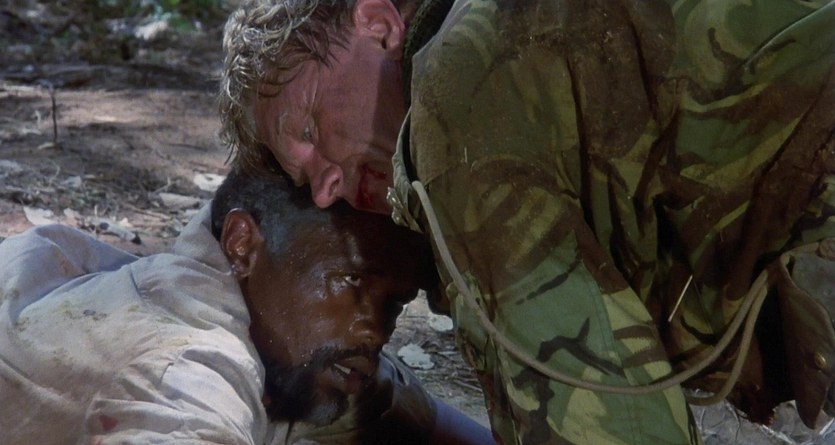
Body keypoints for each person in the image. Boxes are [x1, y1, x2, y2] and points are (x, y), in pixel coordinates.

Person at [219, 0, 835, 444]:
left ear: (378, 24)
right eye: (304, 177)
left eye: (309, 127)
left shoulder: (453, 106)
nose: (325, 188)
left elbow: (604, 418)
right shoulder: (502, 46)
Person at [0, 169, 495, 445]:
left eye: (395, 303)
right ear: (242, 244)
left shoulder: (294, 344)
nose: (376, 330)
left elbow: (413, 417)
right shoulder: (191, 369)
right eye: (350, 281)